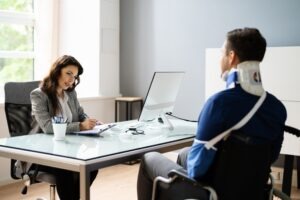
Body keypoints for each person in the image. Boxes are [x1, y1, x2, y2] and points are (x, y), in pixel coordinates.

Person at [136, 28, 287, 199]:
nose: (220, 59)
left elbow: (196, 169)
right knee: (185, 153)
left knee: (149, 157)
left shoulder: (219, 104)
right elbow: (270, 157)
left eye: (222, 54)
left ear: (231, 57)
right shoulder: (277, 108)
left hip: (214, 193)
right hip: (252, 190)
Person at [30, 55, 99, 200]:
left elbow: (80, 114)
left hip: (69, 149)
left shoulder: (71, 93)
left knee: (92, 166)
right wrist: (80, 126)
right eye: (68, 73)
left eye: (74, 76)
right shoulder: (39, 95)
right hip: (44, 154)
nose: (71, 80)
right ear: (57, 70)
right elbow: (48, 127)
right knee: (65, 168)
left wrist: (90, 123)